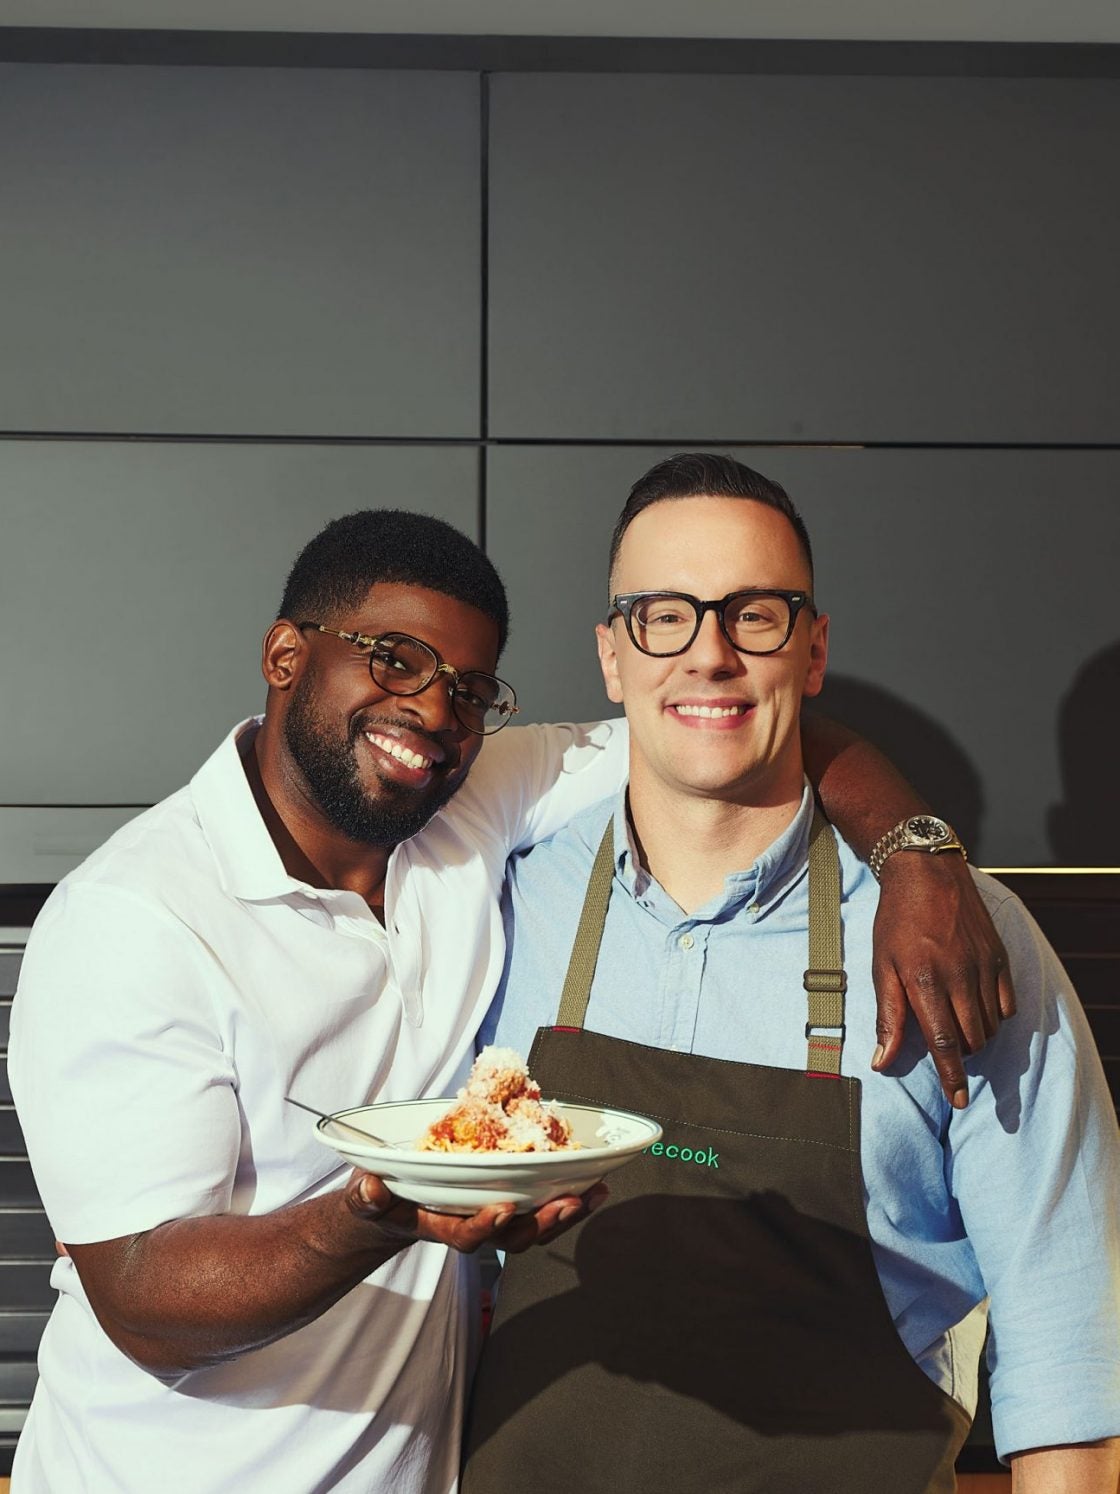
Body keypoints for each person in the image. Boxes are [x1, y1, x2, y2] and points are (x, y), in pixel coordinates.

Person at [11, 507, 1011, 1494]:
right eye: (395, 659)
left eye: (470, 688)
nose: (435, 711)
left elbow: (726, 718)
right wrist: (383, 1215)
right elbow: (142, 1301)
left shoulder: (468, 802)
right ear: (285, 655)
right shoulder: (135, 917)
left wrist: (917, 857)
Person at [468, 454, 1120, 1494]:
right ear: (611, 655)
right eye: (664, 616)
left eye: (755, 615)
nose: (709, 654)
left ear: (811, 651)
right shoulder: (496, 904)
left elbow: (1067, 1350)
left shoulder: (961, 941)